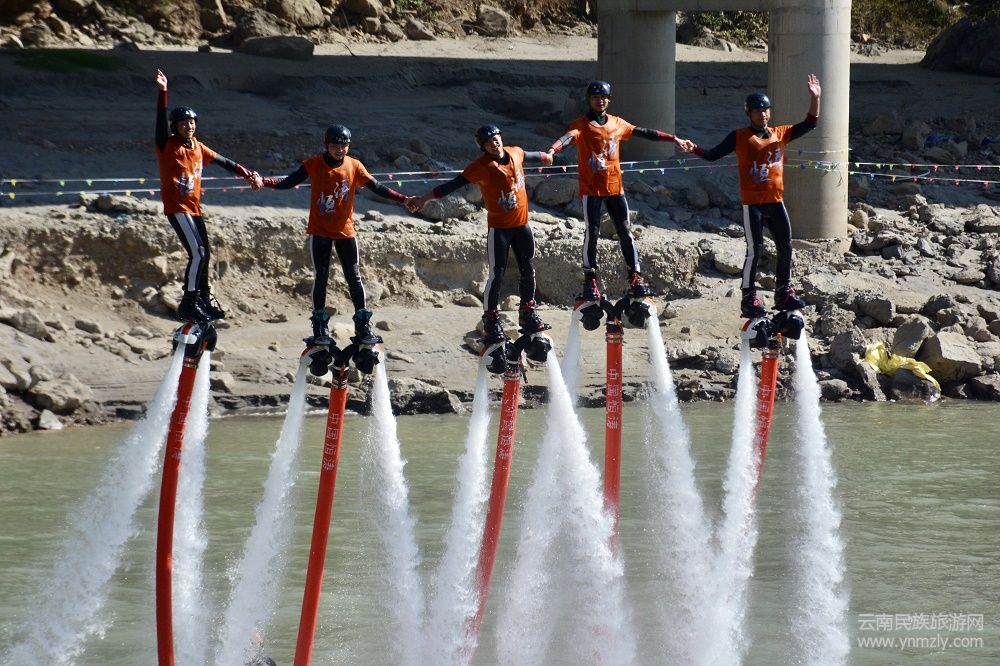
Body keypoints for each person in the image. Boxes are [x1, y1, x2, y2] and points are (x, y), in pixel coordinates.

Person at [681, 74, 822, 318]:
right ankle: (748, 297)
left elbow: (810, 123)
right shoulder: (739, 136)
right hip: (753, 204)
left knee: (786, 246)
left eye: (765, 110)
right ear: (749, 114)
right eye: (757, 111)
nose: (762, 114)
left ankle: (783, 292)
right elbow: (713, 154)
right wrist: (693, 148)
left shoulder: (780, 133)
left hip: (775, 202)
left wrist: (815, 98)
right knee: (755, 250)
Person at [547, 80, 694, 306]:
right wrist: (552, 150)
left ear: (609, 100)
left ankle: (635, 277)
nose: (600, 101)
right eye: (595, 97)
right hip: (592, 189)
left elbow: (644, 132)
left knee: (625, 231)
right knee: (592, 232)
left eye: (603, 97)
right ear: (589, 100)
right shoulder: (582, 124)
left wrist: (673, 139)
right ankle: (590, 279)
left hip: (615, 188)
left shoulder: (617, 123)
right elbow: (568, 137)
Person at [261, 124, 407, 346]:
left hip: (345, 232)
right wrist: (263, 181)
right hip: (320, 231)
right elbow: (288, 182)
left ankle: (363, 325)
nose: (340, 150)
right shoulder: (313, 164)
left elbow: (377, 187)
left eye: (344, 145)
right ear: (326, 145)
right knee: (321, 277)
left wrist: (403, 199)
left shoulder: (354, 165)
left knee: (354, 277)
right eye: (335, 146)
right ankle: (320, 326)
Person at [406, 125, 553, 343]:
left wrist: (547, 156)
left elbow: (533, 155)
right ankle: (491, 320)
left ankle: (527, 312)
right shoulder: (480, 167)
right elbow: (452, 185)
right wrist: (424, 199)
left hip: (522, 226)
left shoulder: (515, 152)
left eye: (496, 138)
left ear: (500, 137)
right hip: (499, 230)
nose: (494, 143)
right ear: (483, 148)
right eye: (488, 142)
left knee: (528, 269)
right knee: (497, 274)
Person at [154, 69, 262, 322]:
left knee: (206, 253)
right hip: (178, 208)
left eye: (192, 122)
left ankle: (203, 297)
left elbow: (226, 162)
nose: (189, 126)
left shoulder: (198, 147)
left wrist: (249, 174)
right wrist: (163, 92)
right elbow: (159, 120)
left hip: (194, 209)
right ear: (174, 127)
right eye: (183, 123)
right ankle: (189, 303)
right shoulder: (167, 146)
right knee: (198, 254)